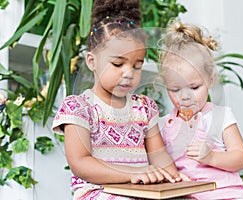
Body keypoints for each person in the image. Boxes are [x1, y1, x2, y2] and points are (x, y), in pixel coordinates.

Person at [52, 1, 182, 199]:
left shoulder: (145, 108)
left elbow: (159, 155)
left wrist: (172, 178)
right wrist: (133, 173)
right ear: (92, 61)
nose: (129, 73)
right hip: (98, 192)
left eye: (137, 66)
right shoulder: (79, 107)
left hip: (142, 190)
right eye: (118, 63)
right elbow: (80, 163)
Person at [159, 20, 243, 199]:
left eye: (194, 87)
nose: (185, 97)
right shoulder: (164, 125)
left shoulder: (219, 116)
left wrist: (211, 157)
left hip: (227, 195)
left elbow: (241, 158)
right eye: (175, 89)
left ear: (210, 80)